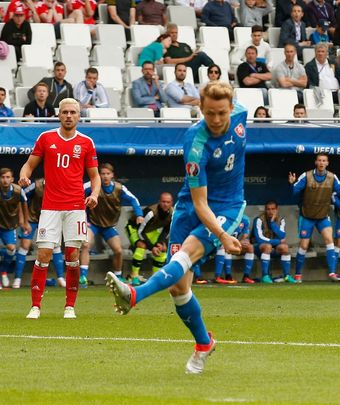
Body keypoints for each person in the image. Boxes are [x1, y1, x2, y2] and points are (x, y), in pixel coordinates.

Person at [106, 82, 248, 374]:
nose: (217, 120)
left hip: (227, 207)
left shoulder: (242, 116)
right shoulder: (195, 145)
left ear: (232, 109)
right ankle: (204, 344)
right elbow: (199, 203)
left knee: (185, 256)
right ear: (200, 109)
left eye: (222, 113)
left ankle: (135, 294)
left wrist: (222, 233)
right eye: (210, 113)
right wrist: (222, 236)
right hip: (193, 207)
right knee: (178, 287)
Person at [19, 98, 100, 319]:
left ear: (79, 115)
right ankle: (35, 306)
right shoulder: (46, 138)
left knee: (72, 255)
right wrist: (24, 176)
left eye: (73, 112)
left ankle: (69, 307)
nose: (68, 116)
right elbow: (29, 164)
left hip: (75, 206)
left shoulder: (86, 142)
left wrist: (93, 194)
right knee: (43, 253)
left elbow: (95, 175)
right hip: (50, 207)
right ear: (59, 114)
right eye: (65, 112)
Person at [288, 153, 340, 282]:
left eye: (324, 161)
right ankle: (298, 275)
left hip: (323, 216)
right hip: (307, 216)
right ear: (315, 162)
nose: (322, 163)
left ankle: (332, 273)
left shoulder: (332, 177)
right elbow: (294, 192)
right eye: (319, 160)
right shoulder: (306, 176)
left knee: (329, 241)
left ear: (327, 163)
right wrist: (291, 184)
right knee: (304, 246)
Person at [79, 163, 143, 286]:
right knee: (86, 244)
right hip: (92, 223)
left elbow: (133, 199)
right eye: (102, 174)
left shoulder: (119, 188)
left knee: (118, 250)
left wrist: (139, 214)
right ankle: (83, 276)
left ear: (112, 175)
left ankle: (118, 277)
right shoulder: (91, 185)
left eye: (108, 174)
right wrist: (82, 217)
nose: (105, 176)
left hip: (109, 225)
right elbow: (78, 194)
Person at [13, 178, 67, 289]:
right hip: (32, 219)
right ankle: (17, 279)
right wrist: (24, 220)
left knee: (55, 246)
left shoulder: (60, 185)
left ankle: (61, 278)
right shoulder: (36, 185)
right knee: (24, 245)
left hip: (49, 219)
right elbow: (21, 198)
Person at [125, 192, 173, 286]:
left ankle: (156, 277)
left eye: (168, 202)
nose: (165, 204)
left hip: (149, 231)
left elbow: (166, 230)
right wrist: (152, 247)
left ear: (171, 203)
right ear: (159, 201)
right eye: (163, 201)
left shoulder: (172, 213)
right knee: (142, 245)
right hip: (134, 228)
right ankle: (133, 277)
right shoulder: (151, 212)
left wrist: (159, 243)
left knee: (162, 248)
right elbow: (140, 231)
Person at [253, 200, 294, 283]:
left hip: (274, 247)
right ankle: (265, 276)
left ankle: (286, 276)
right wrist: (277, 242)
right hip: (259, 247)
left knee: (285, 247)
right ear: (265, 210)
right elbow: (259, 239)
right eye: (268, 209)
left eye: (273, 209)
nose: (270, 211)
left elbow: (282, 235)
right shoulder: (259, 220)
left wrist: (272, 222)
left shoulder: (281, 219)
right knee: (267, 246)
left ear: (277, 209)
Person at [213, 215, 255, 284]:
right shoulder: (226, 217)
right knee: (223, 246)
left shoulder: (245, 219)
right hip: (220, 243)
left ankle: (246, 276)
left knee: (250, 247)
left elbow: (245, 235)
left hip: (235, 243)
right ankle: (219, 276)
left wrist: (242, 241)